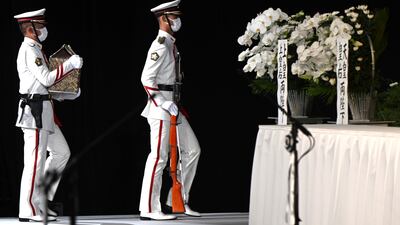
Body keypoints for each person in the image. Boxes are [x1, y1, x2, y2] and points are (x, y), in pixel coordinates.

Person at [14, 8, 83, 222]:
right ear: (31, 28)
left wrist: (66, 94)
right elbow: (45, 79)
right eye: (41, 26)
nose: (44, 29)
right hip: (33, 112)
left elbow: (43, 86)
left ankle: (40, 201)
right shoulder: (29, 50)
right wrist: (68, 65)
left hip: (44, 110)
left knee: (61, 153)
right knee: (34, 162)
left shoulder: (37, 49)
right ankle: (28, 209)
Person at [139, 0, 201, 221]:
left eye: (177, 17)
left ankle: (177, 199)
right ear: (163, 19)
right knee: (158, 157)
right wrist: (161, 102)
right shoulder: (159, 45)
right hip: (160, 107)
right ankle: (148, 207)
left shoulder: (170, 44)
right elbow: (146, 79)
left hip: (174, 105)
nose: (177, 21)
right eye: (173, 17)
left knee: (192, 150)